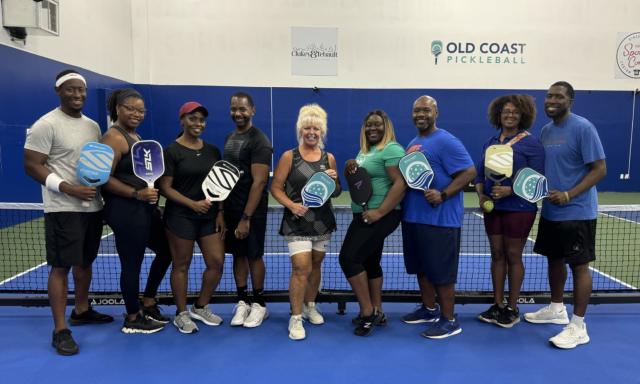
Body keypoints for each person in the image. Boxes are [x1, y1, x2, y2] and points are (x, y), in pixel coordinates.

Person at [24, 69, 114, 355]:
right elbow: (33, 165)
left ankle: (82, 309)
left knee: (85, 263)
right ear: (59, 91)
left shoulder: (92, 126)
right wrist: (67, 188)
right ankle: (61, 329)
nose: (77, 95)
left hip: (93, 206)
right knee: (61, 266)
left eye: (81, 90)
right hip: (63, 208)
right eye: (71, 90)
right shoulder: (45, 125)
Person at [524, 81, 606, 349]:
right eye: (549, 95)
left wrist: (569, 194)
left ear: (570, 101)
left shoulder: (583, 128)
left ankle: (579, 325)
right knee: (554, 260)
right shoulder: (546, 131)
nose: (552, 100)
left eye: (559, 96)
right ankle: (557, 308)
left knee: (579, 266)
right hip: (551, 211)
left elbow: (599, 169)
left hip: (577, 212)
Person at [401, 95, 476, 339]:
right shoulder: (414, 142)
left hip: (440, 220)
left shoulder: (446, 141)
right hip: (414, 218)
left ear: (436, 113)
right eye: (416, 111)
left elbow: (469, 172)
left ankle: (450, 320)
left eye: (426, 110)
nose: (420, 115)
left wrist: (443, 194)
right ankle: (429, 309)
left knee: (442, 274)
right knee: (421, 269)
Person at [101, 88, 173, 334]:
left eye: (141, 110)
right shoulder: (114, 137)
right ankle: (132, 316)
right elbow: (104, 179)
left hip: (144, 210)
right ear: (117, 109)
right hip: (125, 210)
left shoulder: (136, 137)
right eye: (130, 108)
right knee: (132, 263)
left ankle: (149, 301)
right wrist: (135, 194)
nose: (136, 113)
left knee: (166, 250)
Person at [270, 104, 341, 340]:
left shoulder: (329, 158)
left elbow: (337, 191)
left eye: (316, 128)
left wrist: (335, 179)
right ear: (301, 130)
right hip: (296, 221)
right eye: (308, 127)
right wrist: (291, 205)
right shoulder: (289, 156)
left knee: (316, 267)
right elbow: (276, 188)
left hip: (322, 222)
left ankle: (311, 305)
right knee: (301, 269)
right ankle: (296, 317)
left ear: (322, 132)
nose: (312, 132)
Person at [475, 94, 545, 328]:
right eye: (506, 111)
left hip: (520, 208)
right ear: (499, 114)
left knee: (513, 255)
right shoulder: (491, 142)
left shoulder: (531, 143)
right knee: (496, 254)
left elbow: (536, 180)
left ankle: (512, 308)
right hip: (493, 209)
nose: (510, 115)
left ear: (523, 115)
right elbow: (478, 174)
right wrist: (482, 195)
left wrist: (509, 192)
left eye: (515, 111)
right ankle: (497, 304)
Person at [158, 102, 225, 334]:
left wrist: (219, 213)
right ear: (182, 120)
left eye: (201, 120)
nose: (198, 123)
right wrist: (192, 204)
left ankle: (200, 306)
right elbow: (166, 188)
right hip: (180, 216)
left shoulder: (213, 151)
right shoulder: (172, 151)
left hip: (208, 217)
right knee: (181, 265)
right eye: (192, 118)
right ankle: (181, 313)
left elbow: (220, 185)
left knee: (216, 262)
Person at [339, 109, 406, 337]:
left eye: (377, 124)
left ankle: (367, 312)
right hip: (364, 214)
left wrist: (380, 212)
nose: (372, 128)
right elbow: (364, 179)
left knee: (349, 258)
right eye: (369, 125)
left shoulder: (392, 148)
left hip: (380, 215)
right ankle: (378, 310)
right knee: (370, 262)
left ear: (386, 126)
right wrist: (352, 166)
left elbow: (400, 183)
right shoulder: (365, 150)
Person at [223, 92, 273, 328]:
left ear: (252, 110)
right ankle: (242, 301)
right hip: (231, 209)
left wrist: (246, 218)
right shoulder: (230, 138)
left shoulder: (259, 140)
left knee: (253, 255)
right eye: (234, 109)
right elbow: (224, 177)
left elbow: (260, 182)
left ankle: (259, 304)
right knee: (238, 255)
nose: (238, 113)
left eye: (242, 109)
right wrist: (223, 212)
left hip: (251, 212)